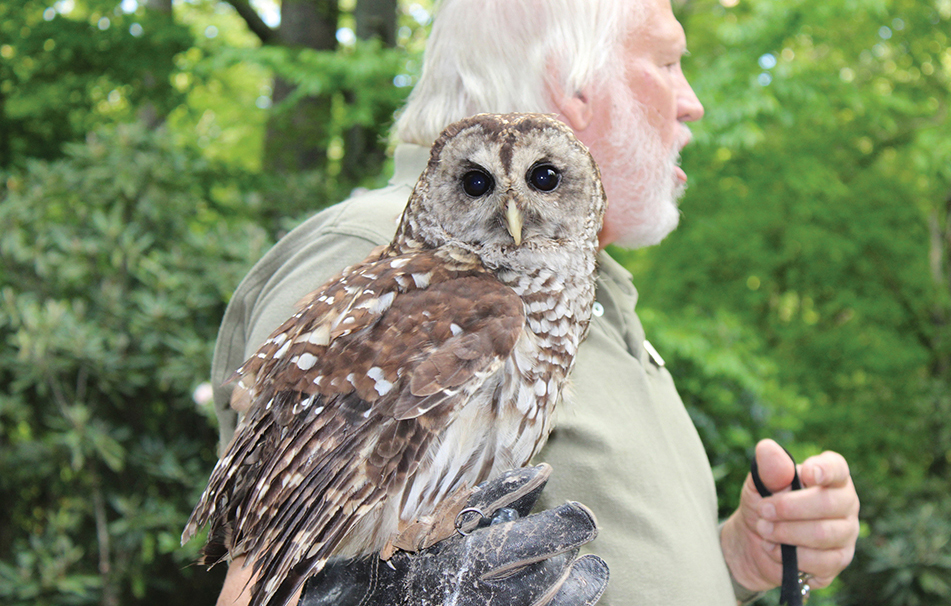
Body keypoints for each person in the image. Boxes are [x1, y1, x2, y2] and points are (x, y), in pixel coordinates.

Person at [206, 0, 860, 603]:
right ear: (575, 87)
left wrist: (737, 561)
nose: (691, 103)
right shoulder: (389, 257)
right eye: (667, 62)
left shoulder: (578, 283)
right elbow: (270, 565)